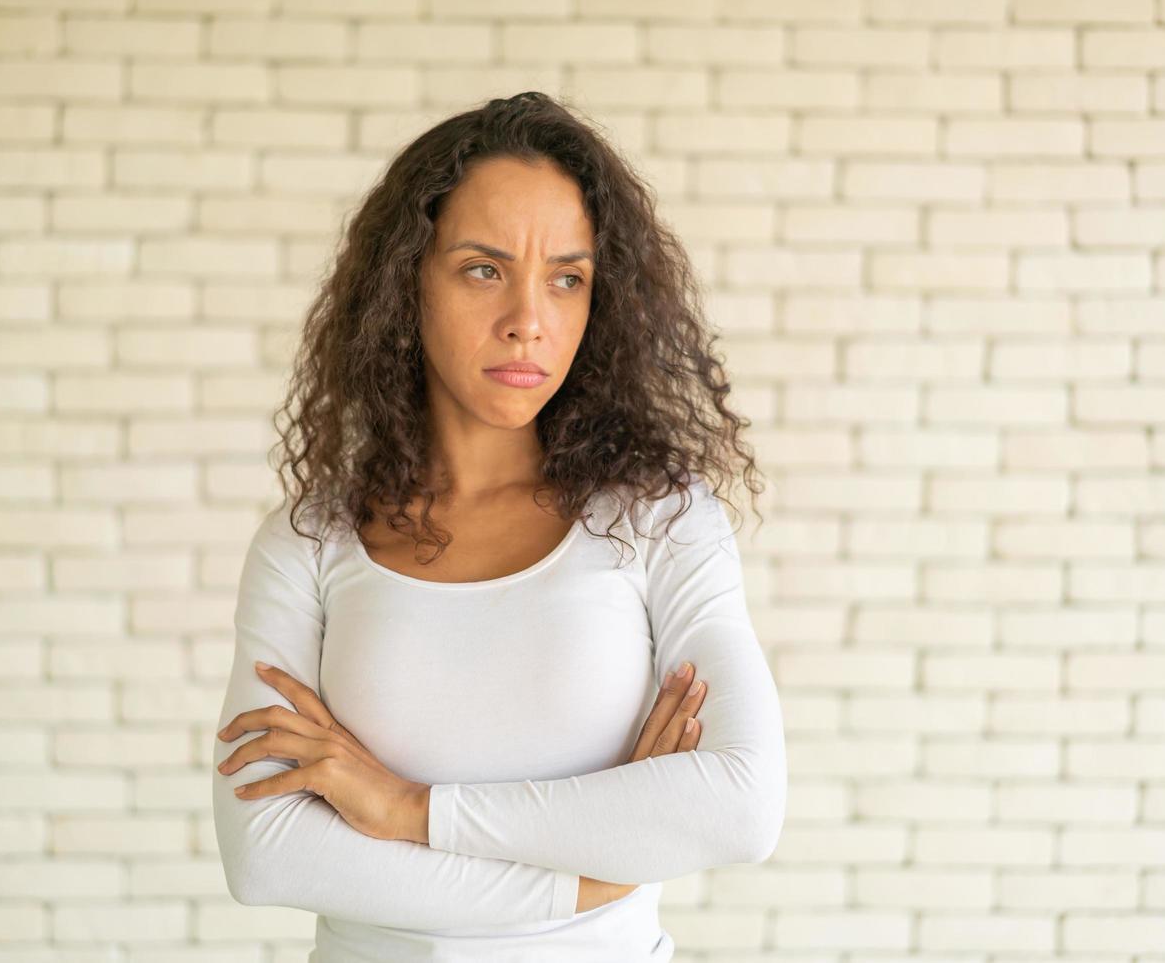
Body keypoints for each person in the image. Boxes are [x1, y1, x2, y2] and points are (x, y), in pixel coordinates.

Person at [210, 90, 787, 962]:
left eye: (567, 277)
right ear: (409, 284)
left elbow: (739, 805)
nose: (529, 320)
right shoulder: (309, 540)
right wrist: (597, 871)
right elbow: (269, 855)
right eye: (483, 269)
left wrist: (407, 811)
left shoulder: (661, 523)